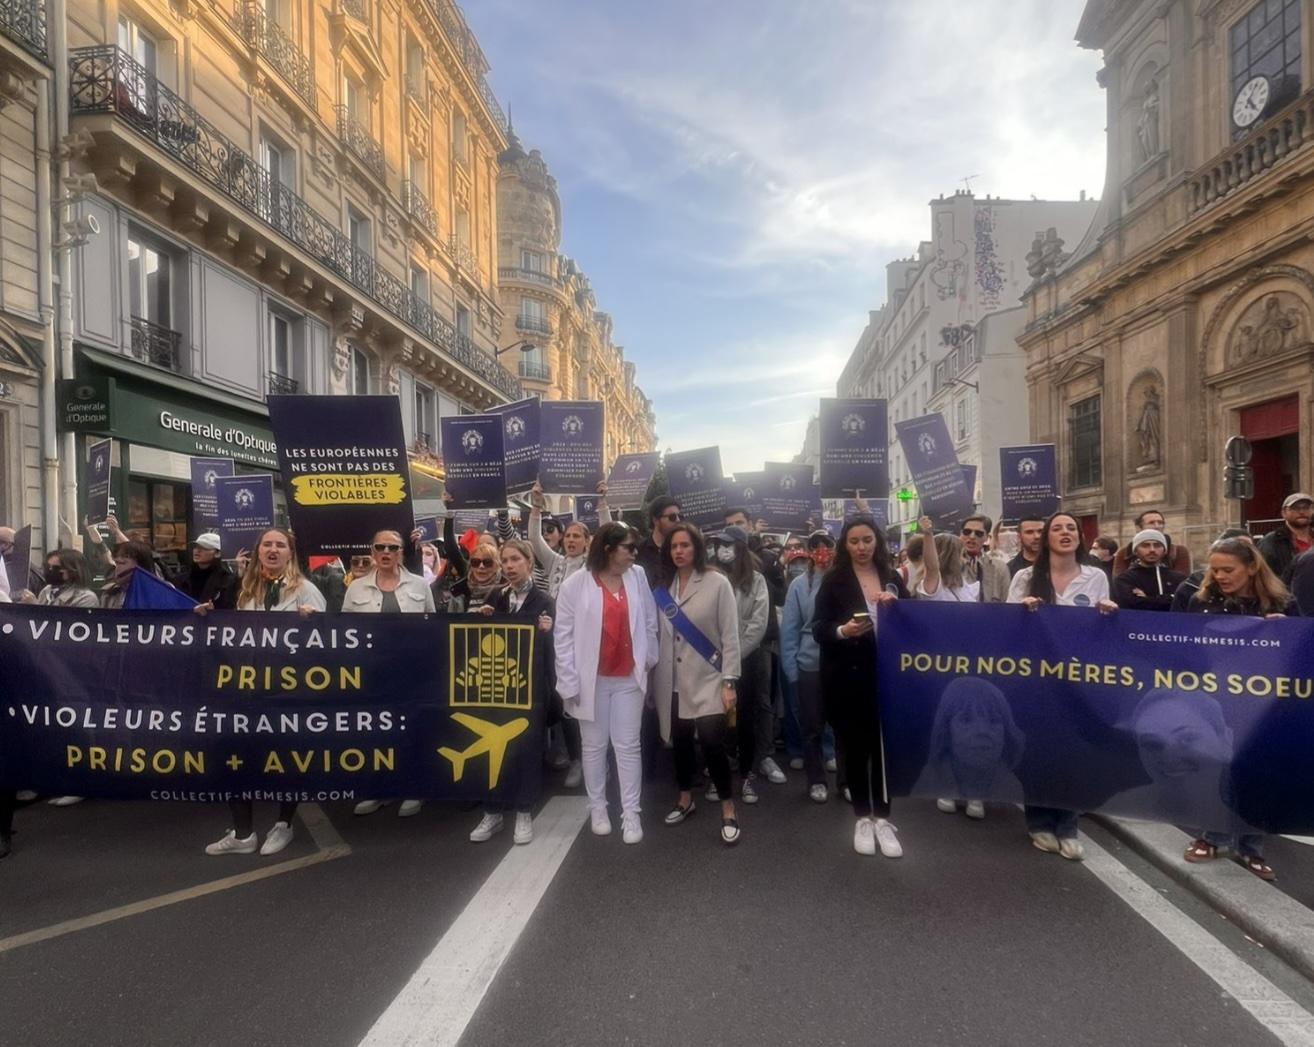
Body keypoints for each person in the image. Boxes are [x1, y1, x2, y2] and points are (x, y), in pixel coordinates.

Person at [1172, 535, 1291, 880]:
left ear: (1252, 567)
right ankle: (1212, 837)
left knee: (1257, 773)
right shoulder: (1201, 600)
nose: (1220, 576)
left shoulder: (1281, 602)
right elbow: (1180, 644)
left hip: (1264, 703)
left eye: (1228, 570)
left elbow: (1301, 653)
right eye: (1215, 570)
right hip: (1214, 697)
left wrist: (1285, 632)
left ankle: (1251, 847)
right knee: (1218, 766)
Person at [204, 527, 325, 858]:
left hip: (289, 691)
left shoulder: (306, 590)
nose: (273, 550)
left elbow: (329, 644)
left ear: (290, 553)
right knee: (238, 757)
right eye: (267, 544)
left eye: (280, 545)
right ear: (258, 551)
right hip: (246, 688)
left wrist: (313, 623)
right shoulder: (244, 590)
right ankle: (243, 833)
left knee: (286, 760)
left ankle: (283, 824)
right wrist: (206, 618)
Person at [1007, 512, 1118, 860]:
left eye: (1071, 528)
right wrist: (1021, 612)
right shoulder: (1026, 577)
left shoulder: (1096, 576)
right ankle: (1039, 822)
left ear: (1080, 538)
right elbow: (1006, 627)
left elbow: (1100, 636)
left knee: (1073, 751)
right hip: (1036, 680)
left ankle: (1067, 825)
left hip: (1077, 680)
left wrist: (1108, 614)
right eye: (1058, 528)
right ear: (1046, 539)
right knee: (1039, 752)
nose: (1066, 533)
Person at [554, 522, 659, 843]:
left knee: (628, 747)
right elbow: (563, 637)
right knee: (595, 747)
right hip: (592, 681)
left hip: (629, 677)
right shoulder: (576, 584)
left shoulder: (637, 576)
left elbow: (650, 622)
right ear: (609, 549)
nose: (634, 553)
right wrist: (569, 683)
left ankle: (631, 814)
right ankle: (598, 807)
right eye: (628, 547)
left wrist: (648, 660)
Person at [813, 516, 908, 858]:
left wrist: (897, 608)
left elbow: (913, 620)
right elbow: (819, 628)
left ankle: (883, 817)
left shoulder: (894, 577)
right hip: (847, 674)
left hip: (887, 674)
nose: (861, 547)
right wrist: (843, 631)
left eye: (867, 540)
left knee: (883, 748)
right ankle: (862, 817)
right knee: (855, 747)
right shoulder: (834, 580)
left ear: (877, 542)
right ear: (845, 545)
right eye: (854, 541)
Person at [653, 522, 744, 845]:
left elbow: (730, 636)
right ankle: (685, 799)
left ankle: (728, 806)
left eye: (685, 545)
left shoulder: (717, 583)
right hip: (672, 681)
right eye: (674, 546)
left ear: (697, 548)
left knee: (711, 743)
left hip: (708, 678)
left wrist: (729, 681)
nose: (679, 551)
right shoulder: (662, 587)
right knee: (679, 743)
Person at [466, 538, 555, 845]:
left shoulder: (545, 601)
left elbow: (557, 648)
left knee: (525, 751)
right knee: (491, 748)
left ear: (529, 562)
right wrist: (483, 620)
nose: (510, 566)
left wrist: (548, 632)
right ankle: (492, 812)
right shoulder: (496, 596)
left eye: (516, 560)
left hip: (529, 690)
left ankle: (523, 811)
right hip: (497, 691)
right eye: (505, 561)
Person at [345, 530, 437, 820]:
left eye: (392, 547)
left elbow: (432, 625)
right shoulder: (355, 588)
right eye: (380, 547)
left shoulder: (421, 585)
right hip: (372, 673)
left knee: (411, 729)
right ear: (372, 551)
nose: (386, 551)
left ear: (400, 552)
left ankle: (414, 788)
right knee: (375, 732)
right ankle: (380, 788)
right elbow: (344, 633)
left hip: (412, 671)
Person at [707, 525, 769, 803]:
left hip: (745, 662)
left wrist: (733, 659)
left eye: (728, 544)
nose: (722, 549)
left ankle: (747, 776)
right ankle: (719, 777)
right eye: (719, 543)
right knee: (718, 722)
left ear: (741, 547)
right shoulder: (711, 578)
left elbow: (757, 625)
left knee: (745, 721)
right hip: (713, 662)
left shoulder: (756, 580)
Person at [781, 529, 839, 803]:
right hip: (810, 663)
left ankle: (844, 777)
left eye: (826, 545)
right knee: (811, 724)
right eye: (815, 546)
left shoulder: (844, 579)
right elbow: (790, 630)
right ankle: (816, 779)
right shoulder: (798, 586)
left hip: (841, 662)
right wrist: (792, 670)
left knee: (841, 722)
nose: (821, 551)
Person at [912, 677, 1026, 813]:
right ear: (946, 729)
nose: (982, 732)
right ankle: (946, 792)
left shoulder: (1009, 784)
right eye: (966, 720)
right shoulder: (932, 773)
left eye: (994, 720)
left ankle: (976, 797)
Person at [1112, 529, 1186, 612]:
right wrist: (1170, 598)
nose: (1152, 550)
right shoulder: (1125, 579)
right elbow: (1132, 604)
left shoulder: (1179, 578)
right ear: (1135, 550)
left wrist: (1147, 598)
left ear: (1164, 550)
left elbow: (1184, 603)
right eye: (1145, 545)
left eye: (1157, 545)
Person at [1112, 509, 1191, 576]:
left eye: (1160, 523)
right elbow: (1120, 583)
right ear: (1139, 528)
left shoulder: (1178, 551)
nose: (1157, 526)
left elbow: (1181, 584)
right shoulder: (1124, 553)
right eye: (1151, 523)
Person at [1257, 492, 1313, 582]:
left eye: (1306, 508)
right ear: (1284, 513)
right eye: (1295, 508)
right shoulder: (1271, 542)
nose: (1301, 512)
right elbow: (1264, 576)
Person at [172, 533, 238, 608]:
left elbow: (229, 609)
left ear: (217, 553)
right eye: (196, 547)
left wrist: (213, 610)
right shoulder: (181, 579)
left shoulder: (226, 581)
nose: (197, 550)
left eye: (205, 548)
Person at [959, 514, 1010, 602]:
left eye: (978, 533)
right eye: (967, 532)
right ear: (960, 534)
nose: (972, 537)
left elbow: (1007, 602)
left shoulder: (999, 568)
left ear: (986, 537)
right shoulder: (947, 565)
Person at [27, 549, 98, 608]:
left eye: (56, 568)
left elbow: (69, 623)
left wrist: (36, 607)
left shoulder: (86, 598)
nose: (50, 570)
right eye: (48, 567)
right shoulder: (46, 591)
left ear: (72, 570)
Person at [637, 496, 682, 587]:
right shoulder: (639, 551)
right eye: (672, 517)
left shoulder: (682, 549)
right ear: (656, 520)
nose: (678, 520)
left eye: (680, 516)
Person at [98, 540, 157, 609]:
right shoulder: (108, 595)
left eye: (123, 562)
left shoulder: (161, 592)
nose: (117, 568)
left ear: (141, 566)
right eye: (117, 563)